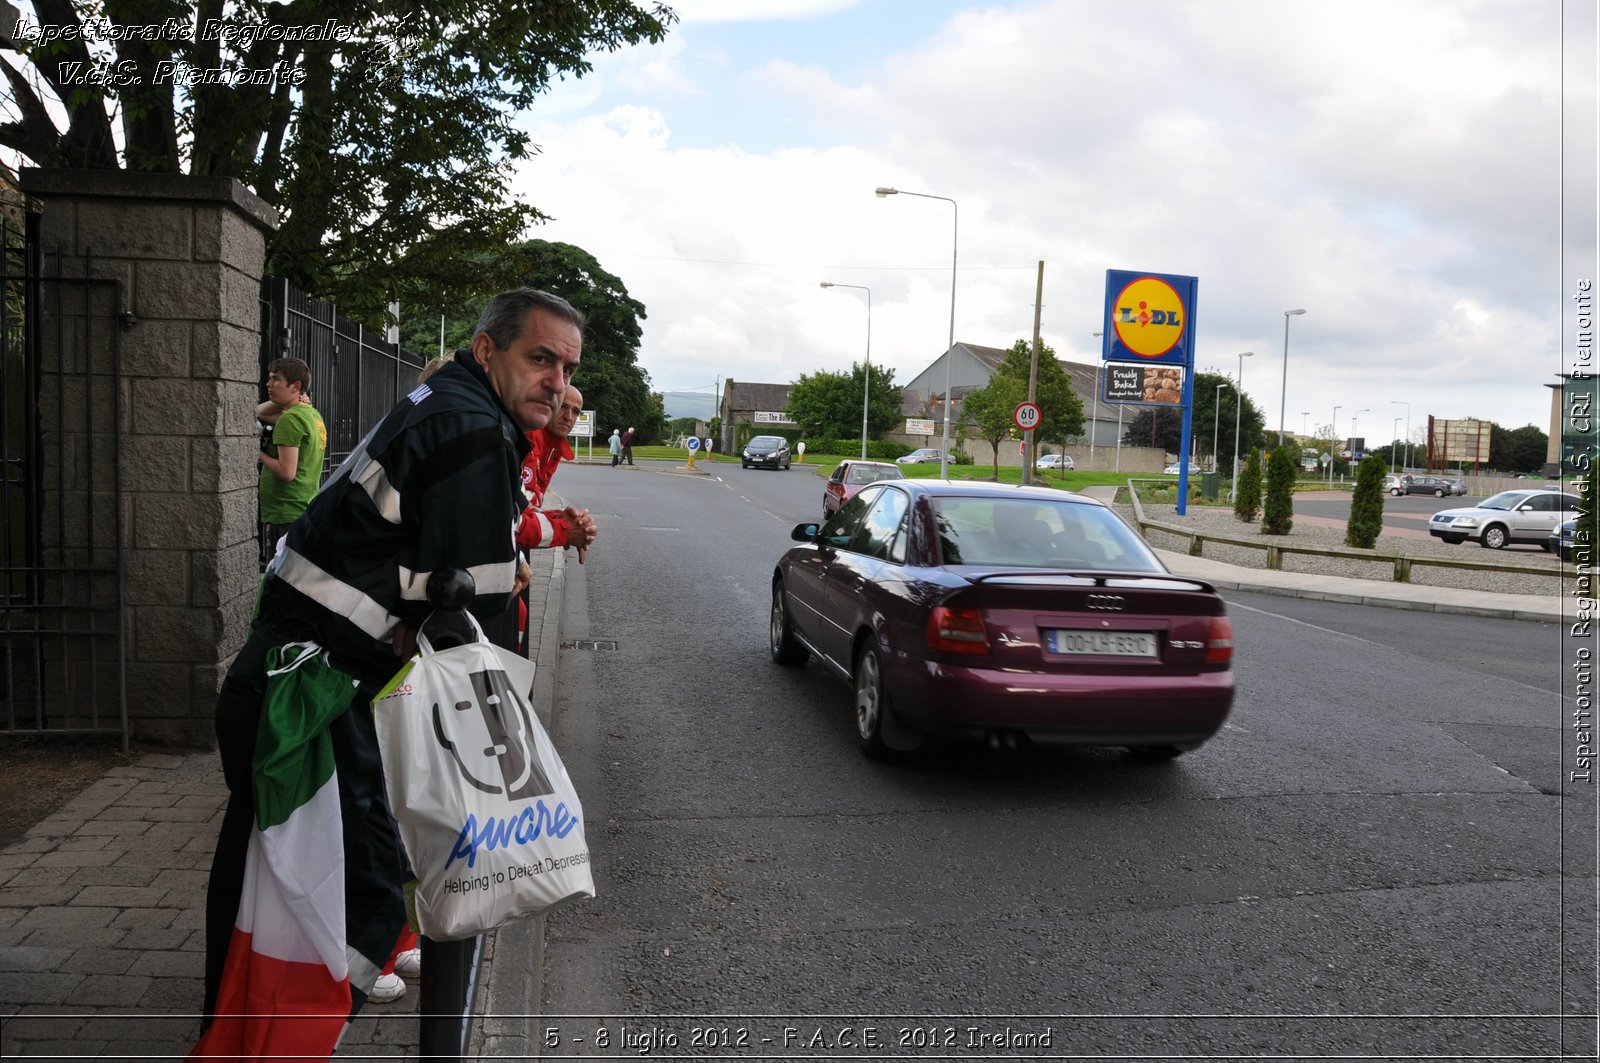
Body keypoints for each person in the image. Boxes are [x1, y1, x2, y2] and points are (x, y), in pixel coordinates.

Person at [199, 288, 584, 1053]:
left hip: (288, 687)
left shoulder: (447, 402)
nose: (557, 380)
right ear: (486, 350)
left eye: (567, 366)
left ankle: (243, 1032)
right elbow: (477, 622)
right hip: (312, 707)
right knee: (359, 896)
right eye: (539, 358)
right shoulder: (474, 429)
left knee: (263, 899)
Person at [519, 384, 598, 561]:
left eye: (576, 411)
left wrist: (563, 519)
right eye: (563, 406)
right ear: (548, 404)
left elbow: (524, 508)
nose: (568, 417)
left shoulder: (553, 446)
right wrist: (565, 530)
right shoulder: (527, 439)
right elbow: (511, 518)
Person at [256, 357, 327, 551]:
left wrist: (256, 452)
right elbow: (258, 412)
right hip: (302, 507)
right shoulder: (311, 414)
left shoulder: (290, 420)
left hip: (284, 512)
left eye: (276, 379)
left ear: (295, 386)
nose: (269, 384)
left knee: (279, 575)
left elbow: (286, 472)